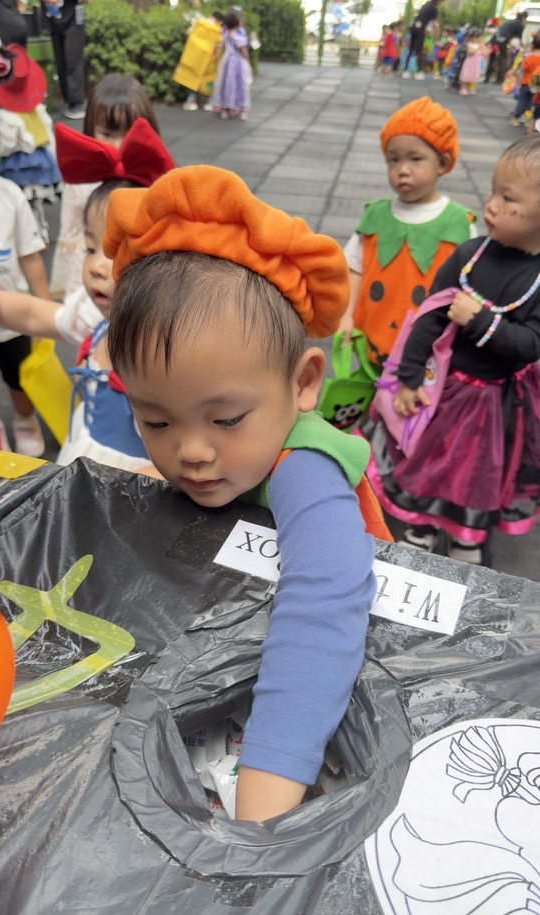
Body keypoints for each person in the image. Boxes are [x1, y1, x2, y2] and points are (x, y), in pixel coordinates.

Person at [102, 165, 392, 822]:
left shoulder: (303, 470)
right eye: (155, 420)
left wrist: (266, 787)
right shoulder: (214, 453)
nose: (192, 452)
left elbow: (324, 606)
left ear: (303, 383)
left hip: (323, 686)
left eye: (226, 420)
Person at [366, 134, 540, 566]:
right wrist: (408, 378)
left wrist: (479, 320)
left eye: (508, 199)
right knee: (431, 460)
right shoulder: (469, 255)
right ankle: (422, 525)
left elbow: (530, 345)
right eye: (494, 192)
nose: (491, 205)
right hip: (445, 390)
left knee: (479, 472)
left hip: (497, 403)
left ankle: (467, 535)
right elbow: (427, 319)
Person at [0, 119, 173, 473]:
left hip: (134, 484)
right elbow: (34, 314)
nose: (96, 267)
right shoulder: (94, 318)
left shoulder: (168, 351)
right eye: (91, 248)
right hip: (81, 457)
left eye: (116, 253)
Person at [339, 97, 476, 372]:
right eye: (394, 159)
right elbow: (354, 269)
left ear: (442, 163)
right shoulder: (374, 216)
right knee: (373, 388)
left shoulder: (460, 225)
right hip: (375, 340)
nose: (402, 169)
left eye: (415, 159)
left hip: (430, 353)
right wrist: (346, 316)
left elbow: (472, 286)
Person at [0, 81, 49, 455]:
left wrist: (44, 304)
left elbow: (30, 256)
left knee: (21, 379)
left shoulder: (10, 195)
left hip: (13, 319)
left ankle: (24, 419)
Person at [50, 73, 165, 299]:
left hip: (140, 291)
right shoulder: (81, 184)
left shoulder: (152, 177)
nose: (118, 145)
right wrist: (77, 297)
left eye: (128, 134)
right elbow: (73, 243)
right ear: (90, 128)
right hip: (94, 286)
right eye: (107, 134)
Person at [0, 42, 62, 246]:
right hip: (40, 161)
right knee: (35, 204)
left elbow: (5, 146)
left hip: (19, 166)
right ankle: (40, 233)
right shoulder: (37, 110)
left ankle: (27, 236)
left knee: (20, 202)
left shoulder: (7, 118)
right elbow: (48, 135)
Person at [46, 0, 86, 119]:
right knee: (61, 63)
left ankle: (77, 102)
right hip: (54, 22)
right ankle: (69, 100)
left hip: (73, 21)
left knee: (73, 61)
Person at [213, 8, 251, 120]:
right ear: (238, 22)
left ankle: (226, 108)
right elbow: (244, 52)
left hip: (227, 61)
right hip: (238, 63)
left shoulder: (225, 35)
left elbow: (220, 48)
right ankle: (240, 108)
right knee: (240, 85)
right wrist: (247, 61)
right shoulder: (239, 37)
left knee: (226, 84)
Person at [402, 0, 445, 80]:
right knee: (419, 51)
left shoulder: (427, 4)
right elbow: (436, 25)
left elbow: (420, 17)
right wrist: (436, 39)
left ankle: (405, 71)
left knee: (411, 50)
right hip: (420, 30)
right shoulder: (433, 8)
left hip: (413, 28)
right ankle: (419, 72)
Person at [485, 11, 527, 85]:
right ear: (523, 18)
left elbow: (498, 30)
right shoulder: (519, 25)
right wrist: (525, 48)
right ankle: (499, 79)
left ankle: (486, 78)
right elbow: (520, 39)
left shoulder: (508, 21)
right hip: (503, 41)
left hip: (495, 39)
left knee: (492, 59)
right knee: (503, 59)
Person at [510, 32, 540, 125]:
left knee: (521, 102)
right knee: (531, 104)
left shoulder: (528, 58)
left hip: (525, 83)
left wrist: (518, 84)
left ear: (533, 45)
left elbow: (522, 72)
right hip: (536, 86)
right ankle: (528, 120)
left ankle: (516, 118)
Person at [459, 27, 486, 95]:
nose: (479, 39)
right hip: (470, 62)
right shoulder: (469, 44)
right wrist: (478, 48)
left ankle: (470, 88)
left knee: (472, 76)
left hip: (476, 63)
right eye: (478, 38)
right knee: (466, 76)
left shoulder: (479, 45)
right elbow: (471, 52)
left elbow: (484, 52)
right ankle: (464, 88)